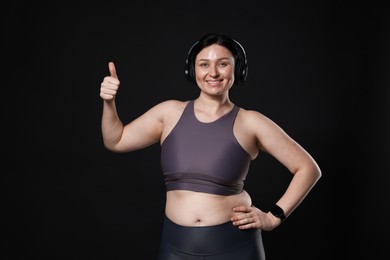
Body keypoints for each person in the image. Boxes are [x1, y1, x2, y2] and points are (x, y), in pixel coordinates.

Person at [99, 32, 322, 260]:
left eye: (223, 64)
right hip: (175, 248)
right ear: (192, 70)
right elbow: (115, 140)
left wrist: (273, 217)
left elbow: (308, 168)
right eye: (204, 64)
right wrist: (109, 102)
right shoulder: (169, 113)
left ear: (238, 69)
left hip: (236, 247)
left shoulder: (251, 122)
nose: (213, 73)